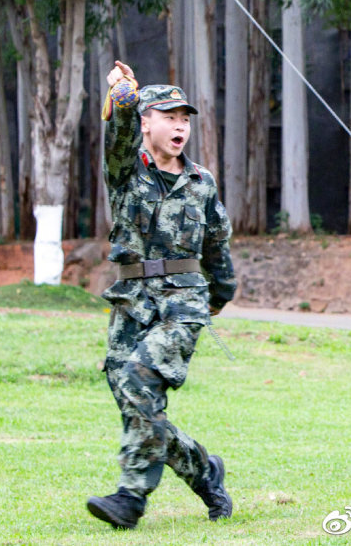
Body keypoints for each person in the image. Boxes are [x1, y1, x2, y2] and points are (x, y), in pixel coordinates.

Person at [87, 60, 237, 529]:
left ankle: (131, 498)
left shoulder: (202, 181)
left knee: (138, 380)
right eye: (169, 116)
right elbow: (118, 135)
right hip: (131, 300)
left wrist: (221, 294)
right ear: (148, 123)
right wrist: (125, 96)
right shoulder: (125, 170)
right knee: (135, 400)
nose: (179, 126)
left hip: (183, 300)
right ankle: (206, 473)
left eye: (185, 118)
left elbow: (217, 241)